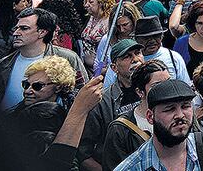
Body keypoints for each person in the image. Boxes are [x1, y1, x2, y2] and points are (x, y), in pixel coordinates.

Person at [114, 79, 203, 170]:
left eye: (185, 106)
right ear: (150, 117)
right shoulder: (133, 167)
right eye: (170, 109)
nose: (180, 115)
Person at [0, 7, 87, 112]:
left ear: (42, 32)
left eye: (24, 28)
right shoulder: (2, 65)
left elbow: (84, 95)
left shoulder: (67, 59)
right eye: (16, 28)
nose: (16, 33)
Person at [77, 38, 144, 169]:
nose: (136, 59)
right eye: (127, 56)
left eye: (138, 53)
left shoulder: (154, 92)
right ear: (114, 67)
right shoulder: (101, 101)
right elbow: (83, 153)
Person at [100, 60, 171, 170]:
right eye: (156, 85)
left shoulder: (183, 114)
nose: (166, 89)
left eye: (168, 82)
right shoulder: (120, 129)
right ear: (140, 92)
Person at [104, 16, 189, 87]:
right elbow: (107, 92)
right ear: (136, 39)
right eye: (146, 38)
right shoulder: (120, 62)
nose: (152, 41)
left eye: (156, 36)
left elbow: (185, 86)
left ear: (162, 36)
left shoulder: (174, 57)